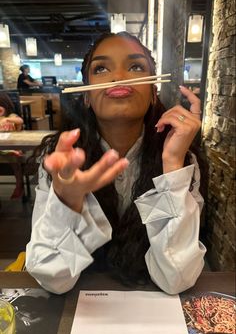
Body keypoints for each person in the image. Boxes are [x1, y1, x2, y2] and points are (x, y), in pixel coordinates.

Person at [26, 31, 206, 295]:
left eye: (135, 67)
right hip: (79, 309)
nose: (118, 77)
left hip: (152, 308)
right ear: (86, 96)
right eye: (101, 68)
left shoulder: (182, 160)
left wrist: (172, 167)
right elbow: (54, 280)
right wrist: (66, 201)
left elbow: (175, 279)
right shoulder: (59, 159)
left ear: (153, 91)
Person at [0, 93, 25, 198]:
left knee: (14, 161)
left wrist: (8, 120)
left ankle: (19, 184)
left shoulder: (11, 116)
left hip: (11, 146)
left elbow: (20, 121)